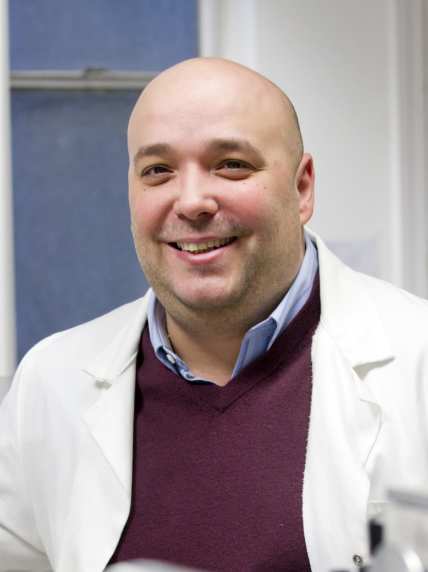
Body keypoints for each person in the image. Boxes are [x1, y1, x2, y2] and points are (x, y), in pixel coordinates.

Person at [1, 57, 428, 572]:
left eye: (231, 164)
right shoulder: (50, 382)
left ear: (302, 188)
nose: (192, 202)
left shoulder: (417, 360)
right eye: (158, 171)